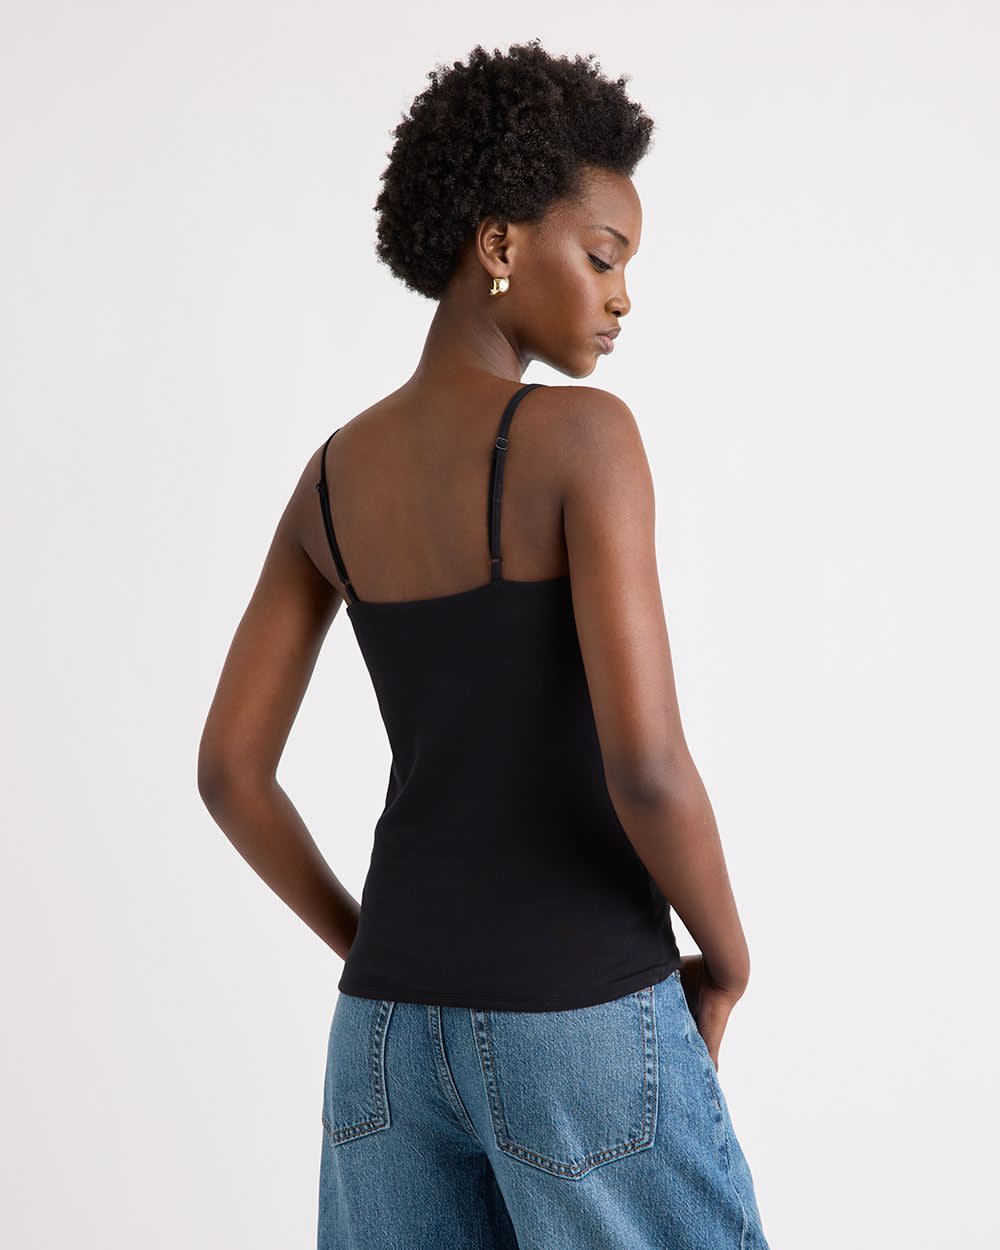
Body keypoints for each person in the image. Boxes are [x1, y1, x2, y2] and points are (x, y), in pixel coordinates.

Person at [198, 38, 772, 1250]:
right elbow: (647, 766)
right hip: (578, 1018)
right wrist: (724, 958)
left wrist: (375, 946)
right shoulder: (584, 440)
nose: (622, 296)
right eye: (603, 255)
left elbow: (230, 771)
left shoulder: (330, 478)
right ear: (499, 243)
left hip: (383, 1040)